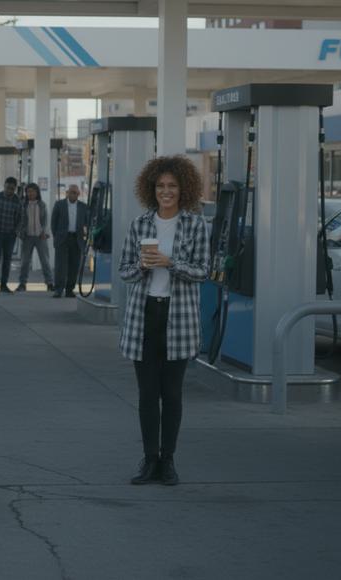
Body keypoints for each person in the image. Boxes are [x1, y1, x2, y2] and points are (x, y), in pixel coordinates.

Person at [119, 156, 208, 486]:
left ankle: (168, 460)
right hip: (145, 316)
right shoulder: (140, 224)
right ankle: (149, 459)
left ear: (183, 189)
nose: (166, 191)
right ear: (151, 189)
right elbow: (124, 272)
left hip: (179, 316)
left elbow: (203, 272)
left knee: (172, 394)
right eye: (160, 186)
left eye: (172, 186)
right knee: (146, 394)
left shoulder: (195, 225)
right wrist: (143, 266)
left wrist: (171, 263)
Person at [0, 176, 24, 294]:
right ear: (4, 186)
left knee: (7, 261)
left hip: (10, 235)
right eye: (8, 188)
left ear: (15, 189)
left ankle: (3, 285)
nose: (10, 191)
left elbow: (20, 218)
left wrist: (16, 231)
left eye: (12, 189)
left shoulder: (17, 200)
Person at [51, 184, 89, 298]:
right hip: (63, 238)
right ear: (67, 193)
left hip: (77, 239)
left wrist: (85, 237)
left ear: (78, 194)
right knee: (60, 266)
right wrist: (57, 236)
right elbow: (54, 223)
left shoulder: (84, 207)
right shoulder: (59, 205)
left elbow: (87, 223)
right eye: (71, 192)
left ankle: (69, 289)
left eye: (75, 193)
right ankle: (58, 289)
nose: (73, 194)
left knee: (74, 266)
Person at [16, 182, 54, 292]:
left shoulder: (42, 205)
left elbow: (46, 220)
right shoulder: (23, 205)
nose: (30, 193)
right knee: (25, 262)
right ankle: (22, 284)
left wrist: (45, 232)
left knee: (45, 261)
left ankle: (50, 283)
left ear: (37, 192)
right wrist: (20, 232)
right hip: (27, 237)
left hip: (40, 237)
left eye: (32, 191)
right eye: (28, 191)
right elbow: (19, 220)